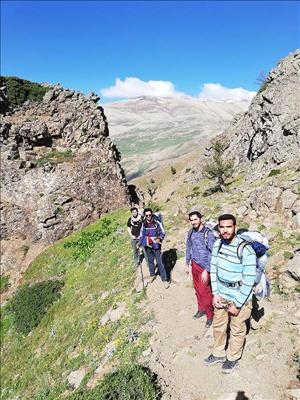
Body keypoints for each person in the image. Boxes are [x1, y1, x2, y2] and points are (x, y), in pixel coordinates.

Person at [204, 214, 256, 374]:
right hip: (222, 294)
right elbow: (214, 270)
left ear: (235, 226)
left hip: (240, 296)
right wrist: (216, 293)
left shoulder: (245, 249)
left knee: (237, 328)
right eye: (222, 227)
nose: (225, 230)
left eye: (229, 226)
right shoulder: (218, 244)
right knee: (219, 325)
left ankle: (232, 357)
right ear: (218, 228)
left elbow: (249, 280)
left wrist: (238, 303)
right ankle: (218, 352)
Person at [185, 211, 216, 328]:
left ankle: (210, 315)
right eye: (191, 220)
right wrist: (187, 263)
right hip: (194, 264)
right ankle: (201, 309)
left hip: (204, 268)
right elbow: (188, 247)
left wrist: (206, 270)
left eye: (195, 219)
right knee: (197, 289)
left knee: (205, 292)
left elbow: (212, 253)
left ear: (200, 219)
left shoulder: (208, 234)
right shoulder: (190, 232)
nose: (193, 222)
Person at [139, 208, 169, 289]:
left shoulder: (157, 222)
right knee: (150, 261)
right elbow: (141, 234)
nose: (148, 216)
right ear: (145, 216)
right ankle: (152, 275)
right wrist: (140, 243)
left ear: (152, 214)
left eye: (150, 215)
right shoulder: (143, 224)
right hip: (147, 245)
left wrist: (160, 238)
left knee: (160, 262)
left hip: (156, 245)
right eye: (147, 215)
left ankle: (164, 279)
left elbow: (162, 232)